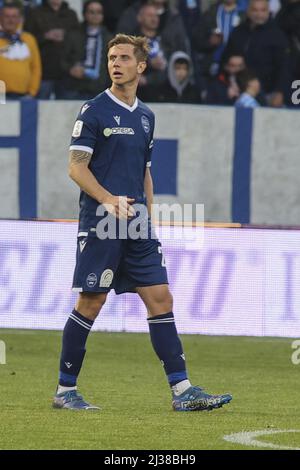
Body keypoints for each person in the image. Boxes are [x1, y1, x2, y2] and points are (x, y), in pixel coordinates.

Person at [52, 33, 232, 412]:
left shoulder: (147, 116)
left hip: (138, 226)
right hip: (101, 221)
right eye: (111, 58)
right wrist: (107, 199)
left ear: (141, 66)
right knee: (91, 302)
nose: (115, 63)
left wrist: (149, 216)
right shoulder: (93, 111)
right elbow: (76, 167)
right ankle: (65, 391)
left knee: (160, 297)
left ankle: (182, 391)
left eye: (123, 58)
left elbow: (145, 173)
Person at [223, 0, 290, 107]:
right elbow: (225, 60)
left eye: (263, 10)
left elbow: (284, 67)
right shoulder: (238, 32)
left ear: (268, 11)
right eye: (255, 10)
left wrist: (280, 92)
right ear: (248, 11)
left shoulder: (277, 35)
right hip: (237, 92)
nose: (259, 14)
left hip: (268, 94)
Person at [25, 0, 79, 99]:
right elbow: (26, 39)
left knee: (68, 111)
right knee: (40, 110)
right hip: (44, 71)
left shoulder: (71, 14)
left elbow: (79, 40)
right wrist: (45, 36)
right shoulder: (34, 13)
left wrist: (66, 37)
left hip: (67, 72)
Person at [60, 0, 112, 100]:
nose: (95, 15)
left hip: (99, 90)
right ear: (85, 14)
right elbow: (62, 60)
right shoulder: (73, 35)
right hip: (75, 88)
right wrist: (71, 69)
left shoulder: (108, 38)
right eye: (91, 12)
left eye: (99, 12)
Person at [0, 2, 41, 98]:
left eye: (14, 16)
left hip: (24, 97)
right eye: (7, 16)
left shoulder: (29, 39)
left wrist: (31, 93)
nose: (11, 20)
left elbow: (36, 68)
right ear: (1, 18)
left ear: (20, 19)